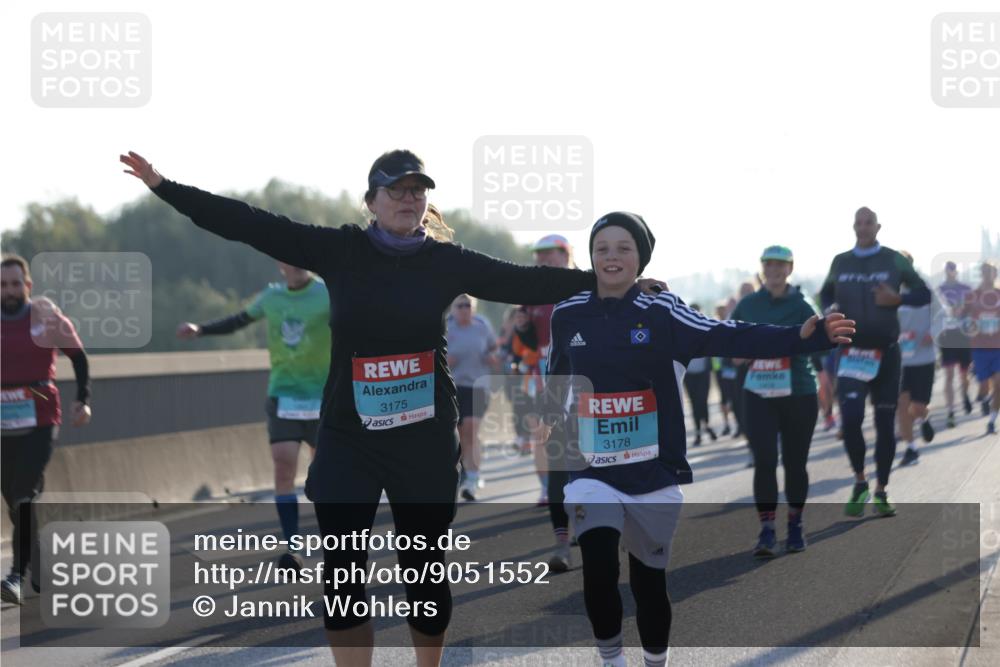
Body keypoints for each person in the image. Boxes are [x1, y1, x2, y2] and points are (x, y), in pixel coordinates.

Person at [120, 149, 664, 667]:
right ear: (372, 200)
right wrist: (164, 186)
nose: (408, 199)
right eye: (396, 190)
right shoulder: (339, 250)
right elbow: (247, 222)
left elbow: (528, 280)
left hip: (422, 437)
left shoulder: (444, 262)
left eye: (418, 191)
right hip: (348, 435)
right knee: (342, 577)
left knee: (424, 572)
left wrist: (616, 280)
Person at [542, 213, 854, 667]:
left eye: (623, 248)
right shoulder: (568, 313)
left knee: (648, 582)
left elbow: (728, 334)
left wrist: (802, 338)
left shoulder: (663, 312)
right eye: (602, 248)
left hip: (654, 469)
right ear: (590, 256)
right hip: (592, 469)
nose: (611, 256)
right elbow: (558, 373)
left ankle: (654, 661)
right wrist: (549, 416)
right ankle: (611, 659)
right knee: (598, 563)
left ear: (640, 259)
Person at [177, 261, 329, 569]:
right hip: (283, 394)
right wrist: (202, 329)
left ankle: (334, 540)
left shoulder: (328, 293)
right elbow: (239, 320)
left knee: (323, 476)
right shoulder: (271, 298)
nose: (297, 264)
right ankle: (292, 547)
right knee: (283, 465)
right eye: (289, 258)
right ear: (280, 266)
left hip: (324, 396)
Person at [820, 207, 930, 518]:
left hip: (887, 352)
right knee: (851, 419)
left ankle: (881, 489)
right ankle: (859, 481)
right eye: (858, 222)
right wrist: (831, 309)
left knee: (885, 425)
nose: (863, 227)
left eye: (868, 222)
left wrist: (898, 300)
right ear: (853, 227)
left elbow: (924, 293)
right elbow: (825, 292)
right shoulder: (841, 261)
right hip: (852, 352)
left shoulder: (894, 258)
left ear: (878, 227)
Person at [1, 256, 92, 604]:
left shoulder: (46, 318)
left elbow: (79, 357)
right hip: (2, 421)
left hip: (40, 415)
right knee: (14, 501)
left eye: (15, 284)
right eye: (2, 285)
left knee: (24, 494)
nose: (9, 291)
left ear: (28, 285)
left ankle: (15, 577)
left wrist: (82, 399)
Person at [731, 245, 822, 557]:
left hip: (798, 392)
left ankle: (795, 524)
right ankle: (767, 530)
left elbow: (822, 346)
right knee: (765, 460)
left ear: (790, 268)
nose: (774, 270)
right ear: (761, 268)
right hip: (758, 394)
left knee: (795, 464)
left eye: (780, 265)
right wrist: (740, 355)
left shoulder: (803, 304)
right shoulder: (748, 305)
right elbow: (729, 344)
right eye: (769, 265)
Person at [445, 294, 497, 501]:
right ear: (453, 309)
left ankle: (472, 481)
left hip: (477, 386)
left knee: (471, 429)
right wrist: (445, 361)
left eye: (468, 305)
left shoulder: (482, 327)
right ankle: (465, 470)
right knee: (459, 434)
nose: (464, 309)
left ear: (473, 308)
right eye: (460, 305)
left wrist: (492, 358)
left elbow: (494, 347)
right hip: (452, 386)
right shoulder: (446, 328)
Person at [896, 251, 938, 465]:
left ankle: (924, 418)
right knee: (902, 405)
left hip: (923, 357)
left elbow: (942, 315)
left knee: (918, 407)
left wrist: (934, 333)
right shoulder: (888, 291)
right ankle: (911, 448)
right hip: (899, 359)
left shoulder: (924, 288)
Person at [960, 261, 1000, 435]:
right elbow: (962, 317)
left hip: (998, 346)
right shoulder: (972, 295)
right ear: (981, 274)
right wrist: (970, 326)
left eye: (991, 272)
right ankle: (985, 398)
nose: (987, 275)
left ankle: (991, 421)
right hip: (979, 347)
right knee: (984, 386)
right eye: (985, 272)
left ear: (995, 275)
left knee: (998, 384)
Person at [937, 261, 975, 427]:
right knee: (949, 374)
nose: (950, 272)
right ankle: (951, 411)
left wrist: (963, 310)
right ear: (945, 272)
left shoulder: (965, 288)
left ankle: (965, 395)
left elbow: (974, 309)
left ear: (956, 272)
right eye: (948, 270)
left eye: (952, 270)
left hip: (963, 335)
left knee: (964, 374)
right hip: (947, 336)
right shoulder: (939, 290)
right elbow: (935, 313)